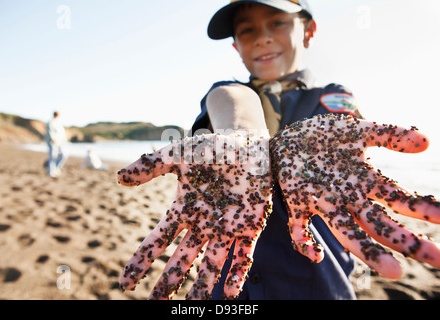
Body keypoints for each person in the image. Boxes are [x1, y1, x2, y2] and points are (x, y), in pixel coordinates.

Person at [117, 0, 440, 300]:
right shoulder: (227, 92)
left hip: (317, 283)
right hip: (229, 276)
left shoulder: (332, 97)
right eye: (247, 30)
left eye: (278, 23)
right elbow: (231, 98)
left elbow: (341, 126)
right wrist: (243, 138)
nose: (263, 38)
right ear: (235, 46)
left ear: (308, 31)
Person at [45, 111, 68, 178]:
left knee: (63, 154)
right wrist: (53, 139)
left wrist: (64, 141)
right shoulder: (51, 122)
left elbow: (61, 134)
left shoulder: (58, 123)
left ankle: (55, 168)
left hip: (60, 143)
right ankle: (50, 172)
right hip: (52, 142)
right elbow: (50, 131)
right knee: (52, 157)